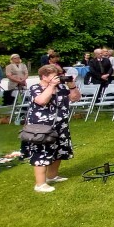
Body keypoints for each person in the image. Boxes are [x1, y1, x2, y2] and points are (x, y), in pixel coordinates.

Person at [20, 64, 81, 193]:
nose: (58, 78)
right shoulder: (35, 88)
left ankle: (52, 176)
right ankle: (40, 184)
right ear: (44, 76)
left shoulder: (61, 88)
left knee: (59, 150)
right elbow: (42, 101)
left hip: (60, 125)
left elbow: (75, 98)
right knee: (41, 153)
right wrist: (51, 86)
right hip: (41, 128)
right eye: (54, 76)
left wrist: (71, 85)